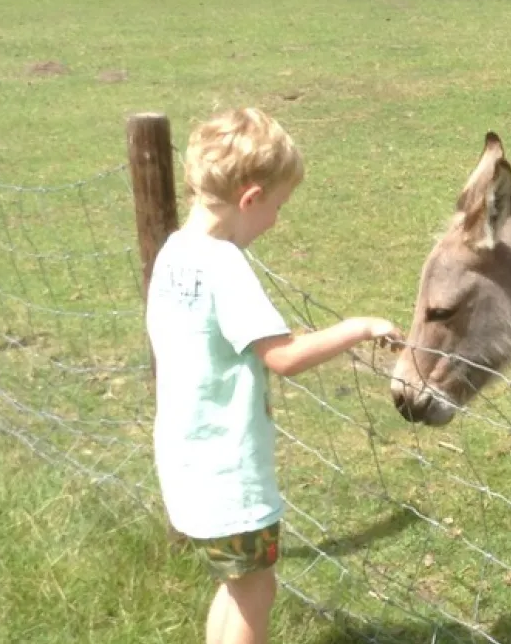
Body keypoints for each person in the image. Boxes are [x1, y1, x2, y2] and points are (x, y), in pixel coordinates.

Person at [144, 106, 401, 644]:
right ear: (251, 198)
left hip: (184, 460)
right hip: (230, 474)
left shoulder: (173, 253)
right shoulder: (224, 266)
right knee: (256, 591)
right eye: (278, 207)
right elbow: (282, 356)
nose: (276, 221)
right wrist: (358, 328)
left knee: (237, 584)